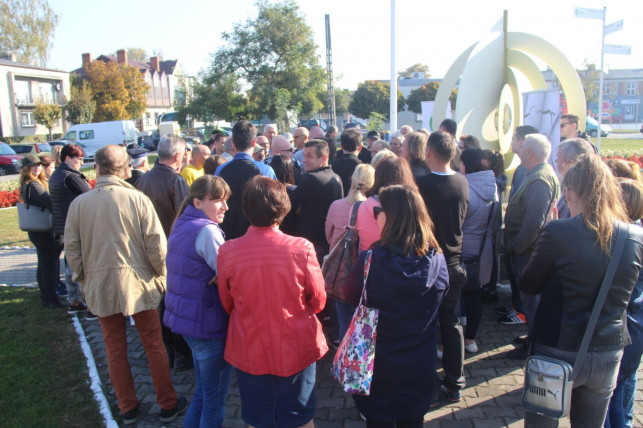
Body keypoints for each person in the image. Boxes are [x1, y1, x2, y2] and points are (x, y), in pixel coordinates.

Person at [65, 145, 188, 425]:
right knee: (153, 344)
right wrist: (162, 277)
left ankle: (128, 407)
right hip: (139, 284)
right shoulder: (137, 199)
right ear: (125, 169)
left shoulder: (80, 204)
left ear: (96, 168)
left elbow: (73, 251)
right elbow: (157, 246)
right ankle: (167, 404)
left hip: (102, 285)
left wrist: (84, 279)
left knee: (115, 348)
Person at [520, 155, 643, 427]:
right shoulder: (634, 236)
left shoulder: (557, 231)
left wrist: (546, 234)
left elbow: (528, 284)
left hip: (556, 347)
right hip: (608, 350)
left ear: (573, 191)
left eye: (567, 189)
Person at [217, 176, 328, 428]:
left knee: (257, 419)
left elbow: (226, 302)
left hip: (250, 344)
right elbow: (319, 300)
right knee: (301, 417)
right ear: (283, 207)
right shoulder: (302, 248)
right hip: (296, 344)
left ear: (246, 209)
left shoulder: (228, 250)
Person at [344, 185, 449, 427]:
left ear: (391, 216)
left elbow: (350, 295)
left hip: (376, 364)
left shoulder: (368, 262)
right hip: (419, 363)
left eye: (378, 209)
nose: (375, 214)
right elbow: (440, 300)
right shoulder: (437, 262)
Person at [164, 175, 233, 428]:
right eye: (218, 200)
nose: (225, 207)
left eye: (226, 200)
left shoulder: (182, 223)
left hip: (190, 323)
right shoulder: (207, 230)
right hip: (207, 324)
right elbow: (227, 275)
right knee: (214, 401)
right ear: (198, 202)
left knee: (204, 393)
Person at [416, 131, 469, 402]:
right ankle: (455, 381)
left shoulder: (422, 185)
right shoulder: (462, 182)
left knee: (425, 325)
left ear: (429, 152)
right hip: (455, 261)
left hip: (429, 262)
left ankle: (426, 381)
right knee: (451, 323)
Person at [136, 134, 193, 370]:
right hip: (172, 249)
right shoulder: (176, 181)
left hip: (148, 248)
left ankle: (166, 348)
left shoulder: (143, 179)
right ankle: (179, 349)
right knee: (175, 301)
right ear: (178, 156)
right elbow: (186, 218)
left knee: (161, 300)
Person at [504, 134, 561, 359]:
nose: (518, 150)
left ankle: (536, 346)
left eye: (521, 148)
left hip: (528, 252)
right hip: (528, 251)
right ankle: (533, 339)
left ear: (528, 152)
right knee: (531, 302)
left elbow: (533, 222)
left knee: (533, 302)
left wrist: (517, 246)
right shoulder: (536, 175)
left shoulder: (539, 180)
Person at [605, 179, 643, 428]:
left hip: (623, 327)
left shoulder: (622, 240)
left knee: (613, 397)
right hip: (636, 324)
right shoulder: (637, 233)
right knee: (624, 388)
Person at [325, 164, 375, 338]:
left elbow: (329, 236)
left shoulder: (336, 205)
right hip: (368, 271)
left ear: (352, 179)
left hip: (343, 271)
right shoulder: (375, 209)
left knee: (344, 317)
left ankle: (343, 353)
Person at [459, 148, 499, 353]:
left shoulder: (464, 188)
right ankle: (471, 339)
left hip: (463, 250)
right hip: (482, 251)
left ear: (465, 164)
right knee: (474, 296)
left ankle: (453, 341)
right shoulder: (492, 187)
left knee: (456, 295)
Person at [215, 120, 276, 240]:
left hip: (228, 233)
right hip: (258, 234)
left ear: (233, 143)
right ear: (254, 142)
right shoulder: (266, 170)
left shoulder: (220, 170)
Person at [49, 143, 91, 315]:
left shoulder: (57, 174)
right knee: (81, 266)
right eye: (79, 159)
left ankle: (74, 302)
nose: (81, 162)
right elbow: (90, 196)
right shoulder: (70, 176)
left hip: (64, 225)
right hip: (75, 225)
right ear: (67, 158)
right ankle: (90, 305)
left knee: (70, 265)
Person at [18, 155, 63, 308]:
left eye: (39, 165)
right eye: (33, 166)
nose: (37, 168)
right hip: (42, 230)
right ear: (26, 169)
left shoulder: (28, 184)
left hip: (37, 230)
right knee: (49, 265)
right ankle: (51, 299)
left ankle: (46, 297)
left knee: (44, 263)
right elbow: (50, 202)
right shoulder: (34, 185)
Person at [290, 139, 343, 263]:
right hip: (327, 243)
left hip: (310, 245)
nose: (304, 160)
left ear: (323, 158)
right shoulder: (336, 177)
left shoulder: (313, 179)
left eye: (309, 156)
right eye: (304, 156)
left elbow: (289, 206)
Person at [355, 157, 417, 252]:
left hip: (369, 263)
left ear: (378, 176)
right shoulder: (413, 206)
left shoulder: (359, 208)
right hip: (405, 263)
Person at [270, 154, 299, 235]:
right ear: (290, 170)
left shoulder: (268, 190)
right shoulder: (295, 190)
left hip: (273, 230)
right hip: (292, 231)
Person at [332, 128, 363, 196]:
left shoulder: (332, 165)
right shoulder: (362, 168)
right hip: (357, 202)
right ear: (360, 147)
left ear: (341, 146)